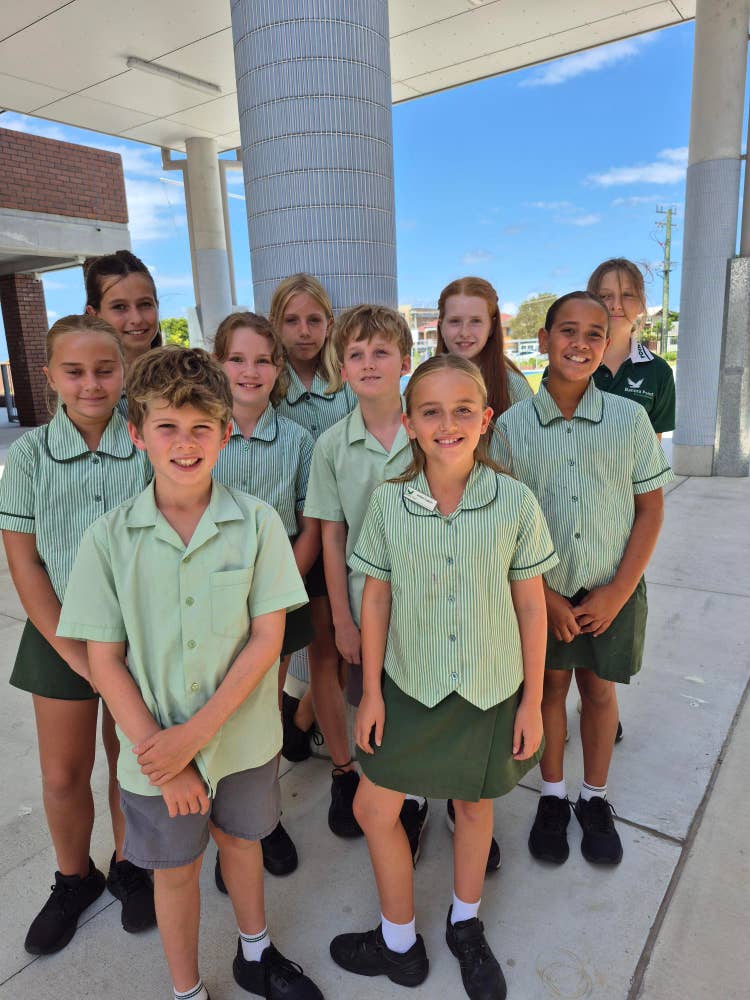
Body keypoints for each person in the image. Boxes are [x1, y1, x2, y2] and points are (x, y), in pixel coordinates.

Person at [57, 347, 324, 1000]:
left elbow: (267, 639)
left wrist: (194, 737)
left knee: (243, 844)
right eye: (167, 427)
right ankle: (187, 990)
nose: (185, 443)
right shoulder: (107, 538)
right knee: (174, 871)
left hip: (242, 741)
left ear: (226, 432)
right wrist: (166, 755)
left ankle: (256, 954)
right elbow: (104, 659)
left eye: (202, 426)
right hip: (153, 755)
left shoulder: (258, 524)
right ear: (136, 434)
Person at [329, 354, 555, 999]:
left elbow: (531, 605)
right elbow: (376, 599)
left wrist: (532, 701)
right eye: (431, 411)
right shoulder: (390, 503)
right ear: (409, 423)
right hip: (410, 684)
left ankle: (465, 923)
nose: (447, 424)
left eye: (463, 410)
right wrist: (372, 692)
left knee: (474, 807)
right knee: (375, 807)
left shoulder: (514, 501)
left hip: (488, 687)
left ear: (486, 419)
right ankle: (398, 941)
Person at [496, 292, 674, 868]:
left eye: (594, 333)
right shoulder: (511, 429)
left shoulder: (629, 420)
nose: (580, 343)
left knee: (598, 691)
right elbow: (501, 522)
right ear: (544, 339)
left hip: (610, 589)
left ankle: (594, 798)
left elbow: (649, 509)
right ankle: (552, 795)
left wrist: (618, 591)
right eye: (567, 331)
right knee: (548, 689)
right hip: (541, 595)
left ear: (607, 343)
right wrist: (543, 596)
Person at [0, 315, 155, 955]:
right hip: (57, 629)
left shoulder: (146, 442)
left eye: (104, 370)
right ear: (49, 376)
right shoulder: (29, 456)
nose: (91, 383)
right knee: (64, 774)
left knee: (129, 762)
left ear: (124, 373)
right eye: (75, 371)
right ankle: (73, 878)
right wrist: (79, 656)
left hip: (137, 632)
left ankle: (129, 864)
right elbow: (25, 562)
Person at [305, 304, 432, 860]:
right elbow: (332, 537)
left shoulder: (432, 430)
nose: (368, 363)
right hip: (365, 608)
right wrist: (341, 619)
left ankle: (448, 797)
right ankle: (400, 797)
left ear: (405, 361)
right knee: (377, 708)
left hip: (435, 604)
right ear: (342, 367)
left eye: (381, 351)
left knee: (436, 703)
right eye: (355, 354)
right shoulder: (332, 446)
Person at [212, 311, 318, 879]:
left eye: (261, 360)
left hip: (275, 601)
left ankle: (262, 818)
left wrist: (273, 593)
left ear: (278, 369)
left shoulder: (297, 440)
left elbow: (309, 525)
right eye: (236, 359)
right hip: (211, 602)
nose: (249, 371)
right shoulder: (202, 432)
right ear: (218, 364)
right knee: (216, 711)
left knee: (261, 713)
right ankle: (224, 826)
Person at [269, 275, 358, 836]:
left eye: (315, 320)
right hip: (287, 541)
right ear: (276, 324)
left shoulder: (344, 384)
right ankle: (339, 768)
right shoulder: (266, 385)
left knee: (338, 653)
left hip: (337, 537)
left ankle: (305, 722)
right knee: (308, 654)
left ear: (329, 324)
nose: (304, 331)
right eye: (292, 320)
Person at [587, 258, 676, 439]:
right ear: (589, 303)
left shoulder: (659, 372)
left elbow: (653, 447)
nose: (616, 305)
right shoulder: (566, 366)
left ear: (641, 303)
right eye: (605, 296)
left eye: (627, 295)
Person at [436, 276, 532, 417]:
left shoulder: (514, 388)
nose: (464, 332)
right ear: (441, 326)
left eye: (475, 321)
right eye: (455, 321)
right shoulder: (423, 383)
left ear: (491, 327)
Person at [84, 250, 162, 394]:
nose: (137, 319)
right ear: (94, 314)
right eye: (119, 307)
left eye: (145, 304)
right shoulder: (85, 389)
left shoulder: (187, 377)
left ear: (157, 305)